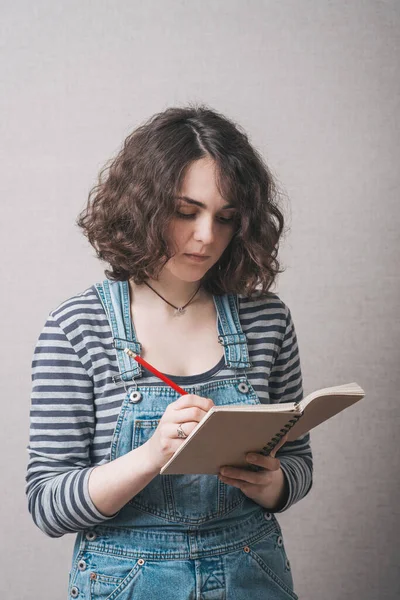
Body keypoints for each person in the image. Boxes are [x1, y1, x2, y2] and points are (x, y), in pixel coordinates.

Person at [26, 104, 313, 600]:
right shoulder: (78, 326)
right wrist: (151, 455)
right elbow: (47, 506)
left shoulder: (267, 319)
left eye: (226, 218)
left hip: (253, 572)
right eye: (186, 212)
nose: (206, 237)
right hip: (129, 580)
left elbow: (299, 462)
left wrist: (275, 486)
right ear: (141, 206)